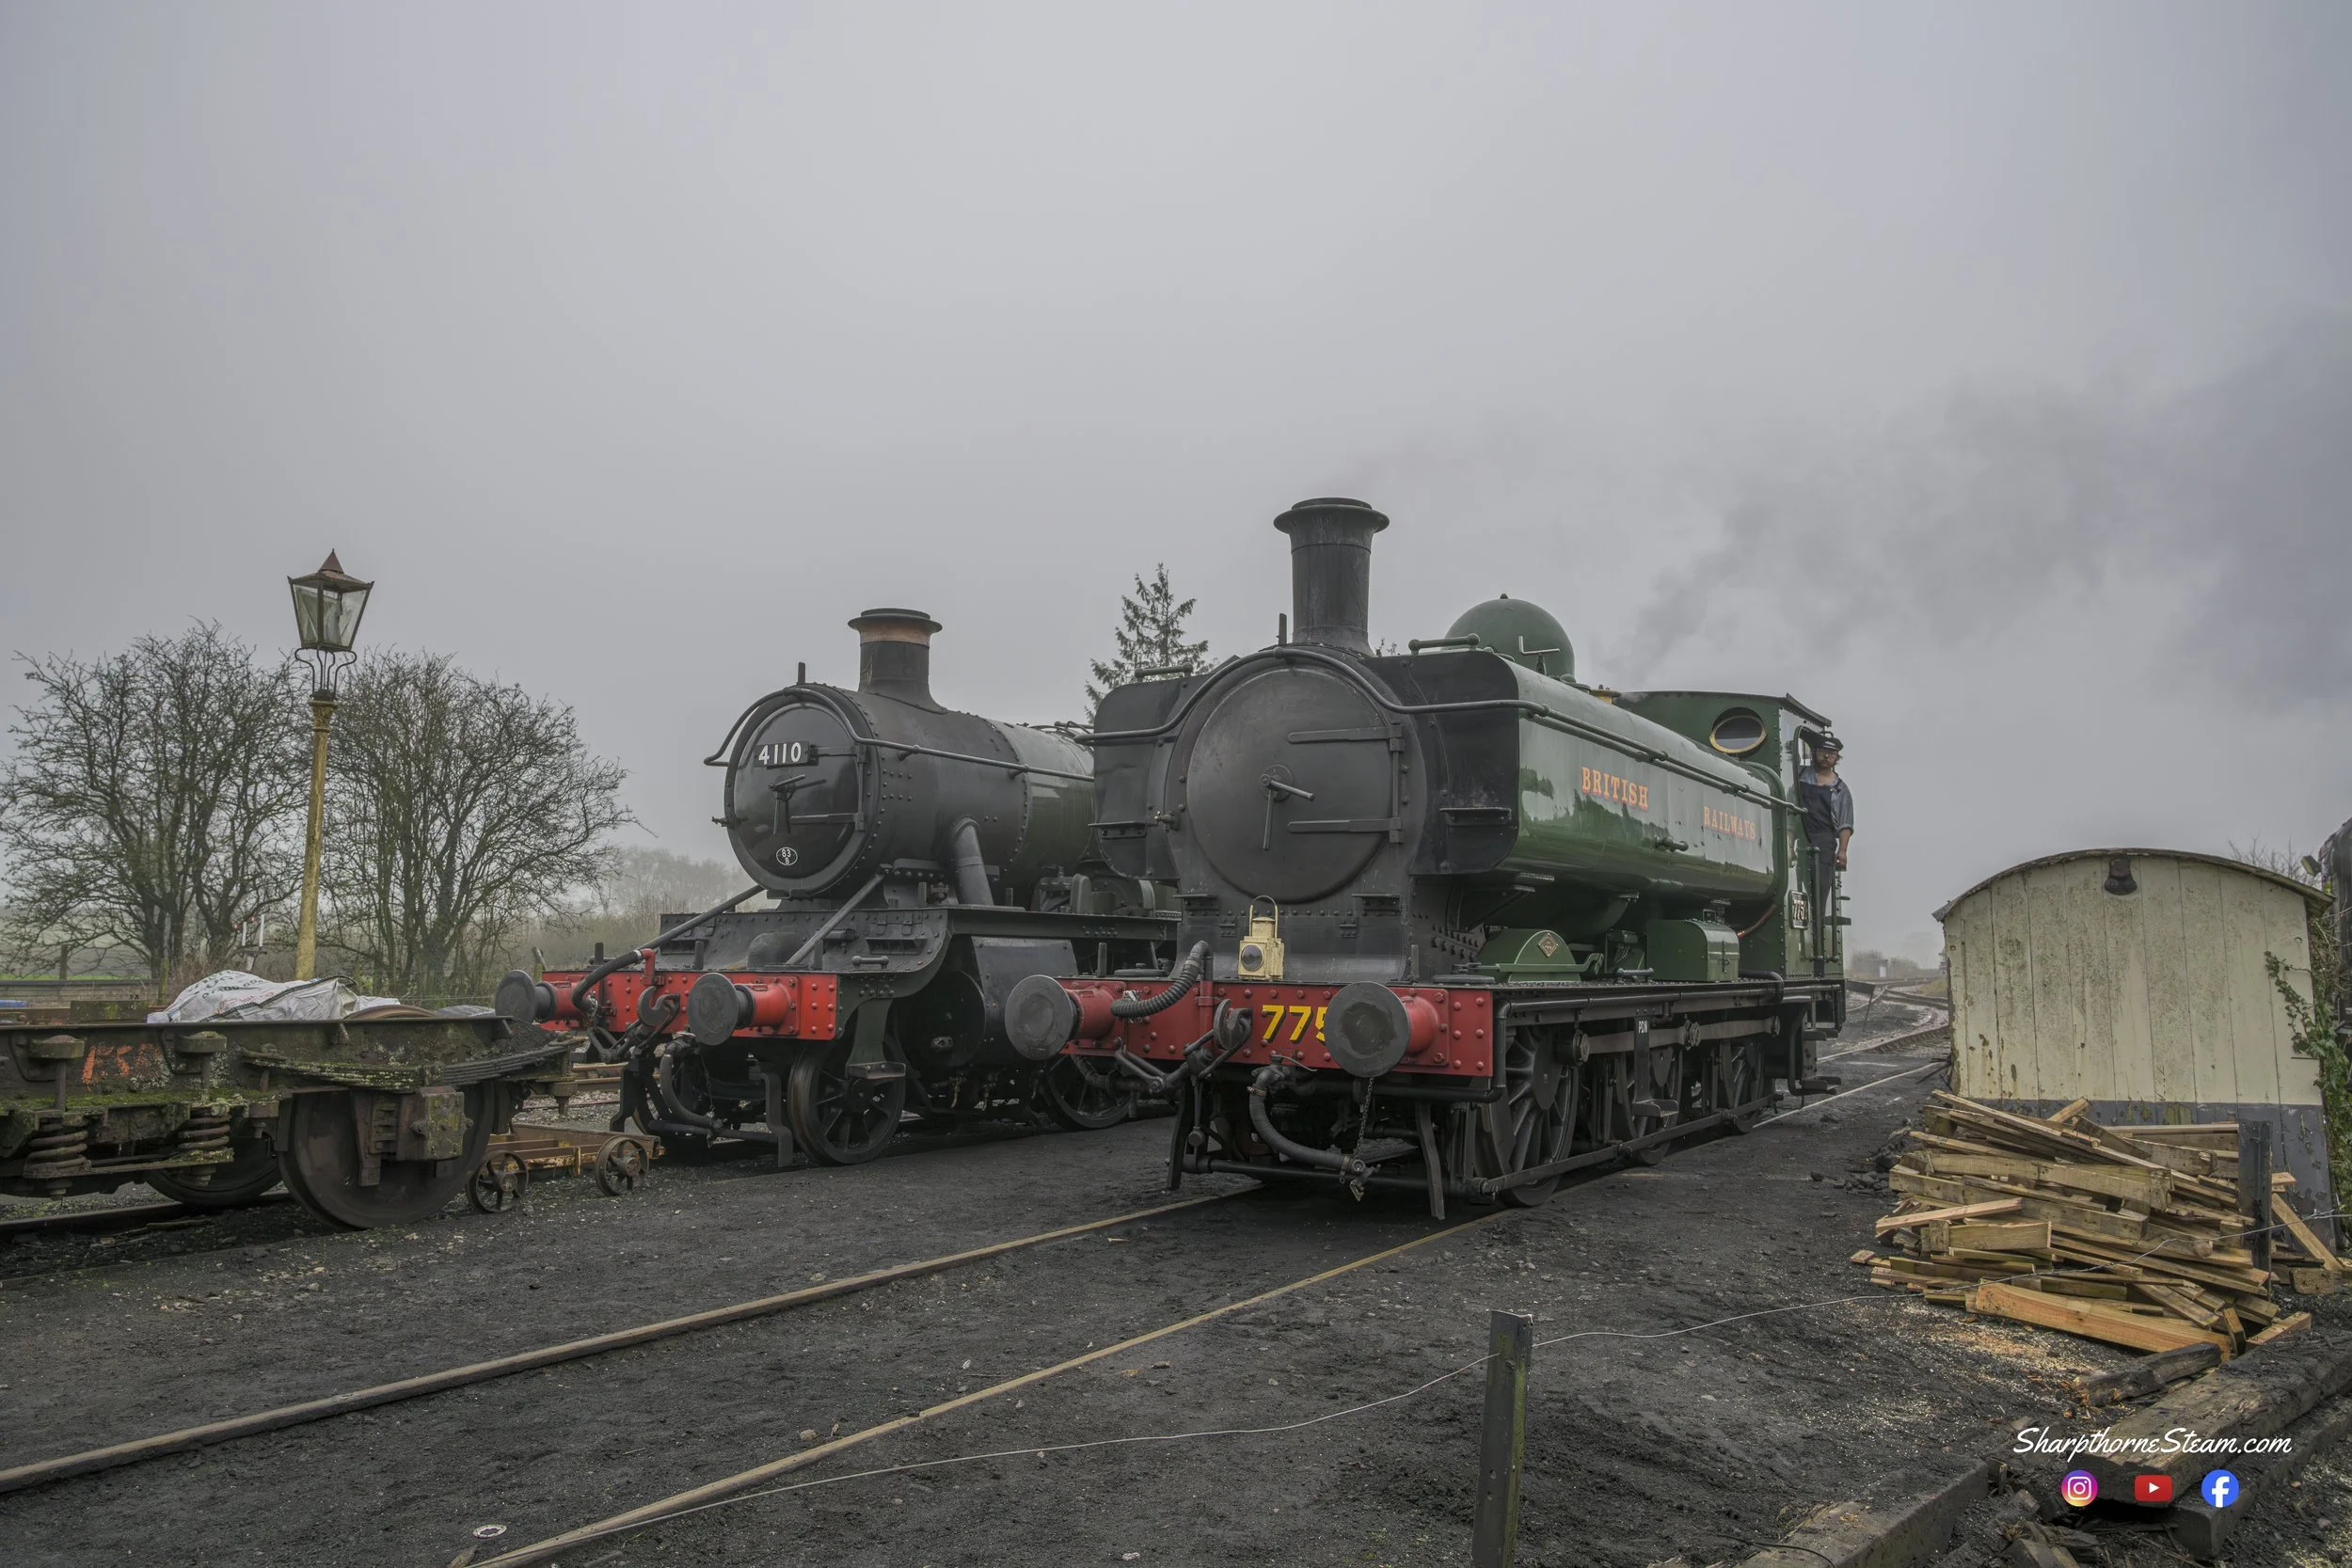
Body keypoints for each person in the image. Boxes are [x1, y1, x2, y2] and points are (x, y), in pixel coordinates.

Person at [1795, 733, 1853, 889]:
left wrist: (1842, 851)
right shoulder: (1799, 774)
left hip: (1823, 839)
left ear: (1836, 758)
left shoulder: (1841, 790)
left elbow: (1845, 823)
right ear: (1815, 753)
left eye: (1831, 754)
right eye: (1823, 752)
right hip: (1799, 832)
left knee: (1820, 884)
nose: (1826, 756)